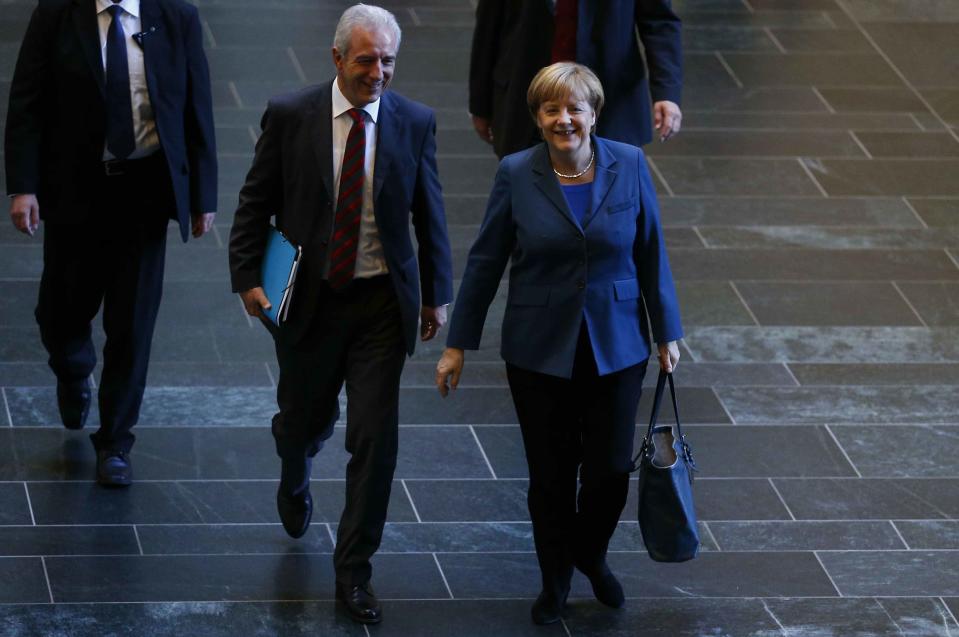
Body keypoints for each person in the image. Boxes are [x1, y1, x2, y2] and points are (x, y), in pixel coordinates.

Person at [228, 4, 453, 626]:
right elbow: (256, 201)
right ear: (336, 59)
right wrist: (246, 275)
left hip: (382, 303)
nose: (378, 72)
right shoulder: (291, 115)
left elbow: (430, 213)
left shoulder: (414, 122)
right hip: (311, 301)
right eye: (366, 60)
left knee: (375, 442)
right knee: (305, 418)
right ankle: (294, 465)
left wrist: (436, 293)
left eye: (387, 61)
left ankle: (353, 572)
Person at [436, 63, 682, 625]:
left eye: (574, 109)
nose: (563, 119)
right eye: (551, 110)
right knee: (548, 476)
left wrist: (667, 330)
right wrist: (458, 345)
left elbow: (651, 251)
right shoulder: (516, 173)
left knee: (607, 474)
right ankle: (554, 578)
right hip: (538, 349)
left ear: (594, 114)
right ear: (538, 117)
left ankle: (589, 555)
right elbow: (485, 261)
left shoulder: (631, 163)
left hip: (616, 344)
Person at [5, 0, 217, 486]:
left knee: (133, 324)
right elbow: (27, 102)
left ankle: (116, 441)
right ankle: (74, 369)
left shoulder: (176, 15)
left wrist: (202, 193)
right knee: (59, 312)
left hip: (144, 192)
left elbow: (195, 104)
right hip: (75, 189)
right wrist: (24, 186)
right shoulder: (58, 12)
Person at [468, 0, 683, 158]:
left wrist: (666, 93)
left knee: (608, 203)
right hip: (526, 101)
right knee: (525, 202)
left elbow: (659, 21)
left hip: (608, 103)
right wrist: (480, 104)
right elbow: (489, 27)